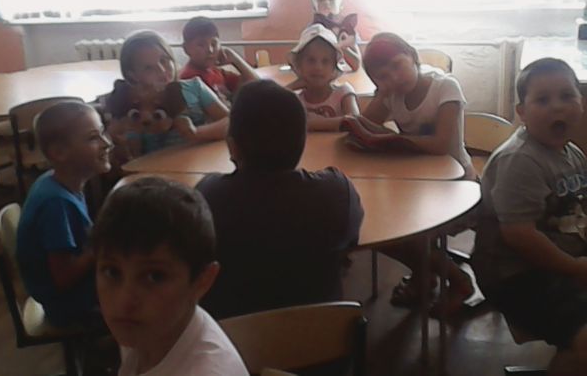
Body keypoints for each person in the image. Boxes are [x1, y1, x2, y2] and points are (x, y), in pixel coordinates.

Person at [196, 80, 363, 319]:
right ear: (303, 141)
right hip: (320, 336)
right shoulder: (336, 193)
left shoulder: (207, 197)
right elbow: (350, 243)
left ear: (232, 147)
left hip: (231, 338)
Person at [342, 32, 475, 313]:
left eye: (397, 66)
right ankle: (425, 274)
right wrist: (381, 95)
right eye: (383, 75)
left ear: (413, 57)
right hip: (415, 183)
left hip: (456, 184)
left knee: (400, 231)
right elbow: (362, 125)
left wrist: (392, 139)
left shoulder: (445, 87)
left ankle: (455, 278)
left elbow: (440, 145)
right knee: (374, 229)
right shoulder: (393, 95)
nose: (394, 77)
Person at [472, 58, 587, 375]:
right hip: (517, 275)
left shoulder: (571, 152)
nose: (557, 106)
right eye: (543, 100)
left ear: (581, 103)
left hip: (561, 259)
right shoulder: (520, 160)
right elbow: (520, 236)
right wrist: (577, 269)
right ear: (521, 112)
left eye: (567, 96)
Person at [93, 177, 248, 376]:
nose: (125, 301)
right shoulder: (151, 330)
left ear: (203, 281)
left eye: (154, 276)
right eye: (112, 272)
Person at [15, 101, 111, 327]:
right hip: (68, 306)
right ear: (59, 153)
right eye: (93, 138)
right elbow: (63, 278)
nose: (107, 143)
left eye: (102, 133)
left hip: (73, 294)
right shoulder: (56, 203)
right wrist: (100, 245)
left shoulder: (58, 181)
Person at [108, 29, 229, 158]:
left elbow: (232, 122)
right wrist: (120, 141)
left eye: (164, 60)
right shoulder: (134, 106)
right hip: (158, 166)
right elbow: (133, 158)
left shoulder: (194, 87)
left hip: (202, 160)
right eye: (149, 68)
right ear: (133, 75)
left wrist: (195, 132)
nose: (161, 70)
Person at [291, 24, 359, 131]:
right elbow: (269, 107)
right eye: (311, 60)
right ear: (299, 65)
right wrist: (290, 87)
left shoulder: (343, 93)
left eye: (325, 61)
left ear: (334, 67)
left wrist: (314, 123)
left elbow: (356, 123)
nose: (318, 67)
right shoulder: (296, 100)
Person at [179, 16, 259, 105]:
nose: (210, 50)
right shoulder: (189, 79)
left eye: (214, 44)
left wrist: (235, 59)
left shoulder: (214, 71)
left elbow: (257, 85)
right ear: (186, 49)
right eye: (201, 45)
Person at [311, 0, 361, 71]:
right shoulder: (312, 31)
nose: (326, 2)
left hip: (346, 73)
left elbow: (357, 64)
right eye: (321, 0)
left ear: (340, 6)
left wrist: (341, 45)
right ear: (314, 8)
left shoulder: (347, 30)